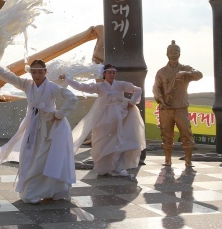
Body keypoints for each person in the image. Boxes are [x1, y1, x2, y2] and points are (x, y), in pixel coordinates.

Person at [0, 57, 78, 204]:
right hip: (33, 125)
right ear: (31, 73)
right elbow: (6, 75)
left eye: (40, 72)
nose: (37, 75)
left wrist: (59, 114)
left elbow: (72, 98)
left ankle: (49, 190)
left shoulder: (52, 87)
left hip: (50, 127)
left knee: (46, 158)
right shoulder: (27, 85)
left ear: (45, 72)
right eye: (34, 72)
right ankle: (33, 191)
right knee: (30, 157)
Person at [60, 64, 145, 177]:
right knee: (102, 141)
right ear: (104, 74)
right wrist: (67, 80)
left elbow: (138, 89)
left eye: (113, 73)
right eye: (109, 72)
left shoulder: (121, 84)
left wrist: (132, 102)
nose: (112, 75)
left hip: (122, 115)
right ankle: (104, 167)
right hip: (104, 117)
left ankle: (118, 167)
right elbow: (82, 87)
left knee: (121, 141)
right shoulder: (100, 86)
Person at [153, 40, 203, 168]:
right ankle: (168, 159)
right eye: (170, 52)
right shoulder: (161, 72)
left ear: (179, 53)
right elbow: (156, 88)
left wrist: (185, 73)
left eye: (175, 52)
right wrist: (161, 99)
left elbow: (199, 75)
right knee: (166, 134)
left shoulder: (185, 69)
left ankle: (188, 160)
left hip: (181, 107)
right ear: (166, 54)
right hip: (166, 108)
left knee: (186, 132)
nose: (173, 54)